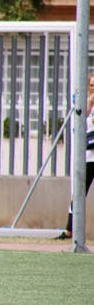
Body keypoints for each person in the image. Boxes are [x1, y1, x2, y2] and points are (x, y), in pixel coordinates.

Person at [59, 71, 94, 240]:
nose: (93, 88)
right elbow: (80, 124)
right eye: (91, 85)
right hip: (89, 154)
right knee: (79, 192)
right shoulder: (87, 104)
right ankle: (69, 230)